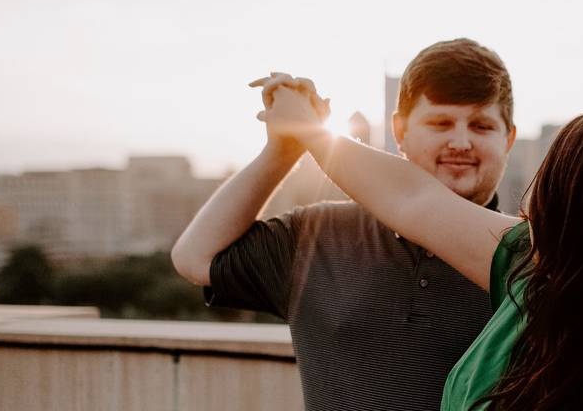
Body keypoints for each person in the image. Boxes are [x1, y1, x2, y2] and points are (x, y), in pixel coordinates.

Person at [257, 76, 583, 410]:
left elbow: (409, 198)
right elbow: (408, 198)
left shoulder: (530, 268)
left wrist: (304, 129)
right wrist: (307, 129)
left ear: (560, 197)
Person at [171, 38, 518, 411]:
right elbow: (194, 258)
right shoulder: (317, 235)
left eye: (481, 126)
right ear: (399, 131)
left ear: (508, 138)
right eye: (441, 123)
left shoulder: (529, 259)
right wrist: (284, 151)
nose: (461, 142)